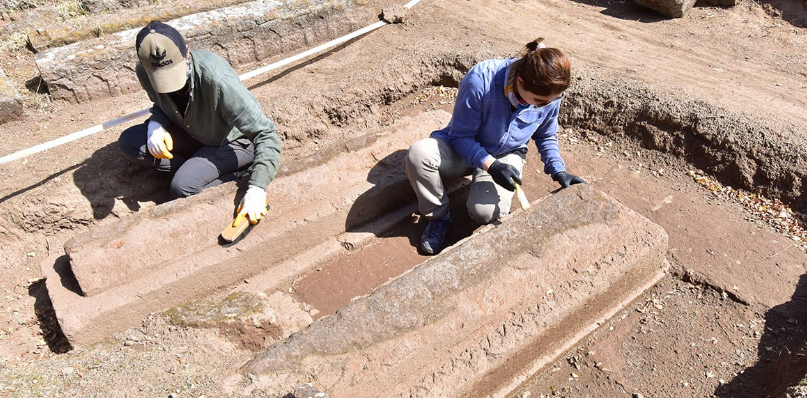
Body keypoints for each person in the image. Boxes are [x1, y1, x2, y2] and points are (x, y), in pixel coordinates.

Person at [404, 38, 586, 255]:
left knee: (486, 213)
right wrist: (491, 165)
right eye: (540, 101)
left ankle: (480, 190)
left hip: (506, 153)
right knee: (419, 155)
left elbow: (546, 135)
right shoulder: (481, 79)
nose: (546, 105)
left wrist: (558, 170)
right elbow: (461, 136)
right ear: (520, 82)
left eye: (552, 100)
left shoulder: (548, 95)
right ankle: (439, 216)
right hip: (463, 147)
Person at [118, 21, 281, 225]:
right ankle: (196, 168)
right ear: (144, 65)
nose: (168, 84)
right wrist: (156, 125)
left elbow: (265, 133)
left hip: (232, 141)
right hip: (193, 130)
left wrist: (257, 188)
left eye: (173, 72)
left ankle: (238, 174)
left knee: (182, 187)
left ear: (186, 52)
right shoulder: (144, 72)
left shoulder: (217, 80)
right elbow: (161, 105)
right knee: (130, 142)